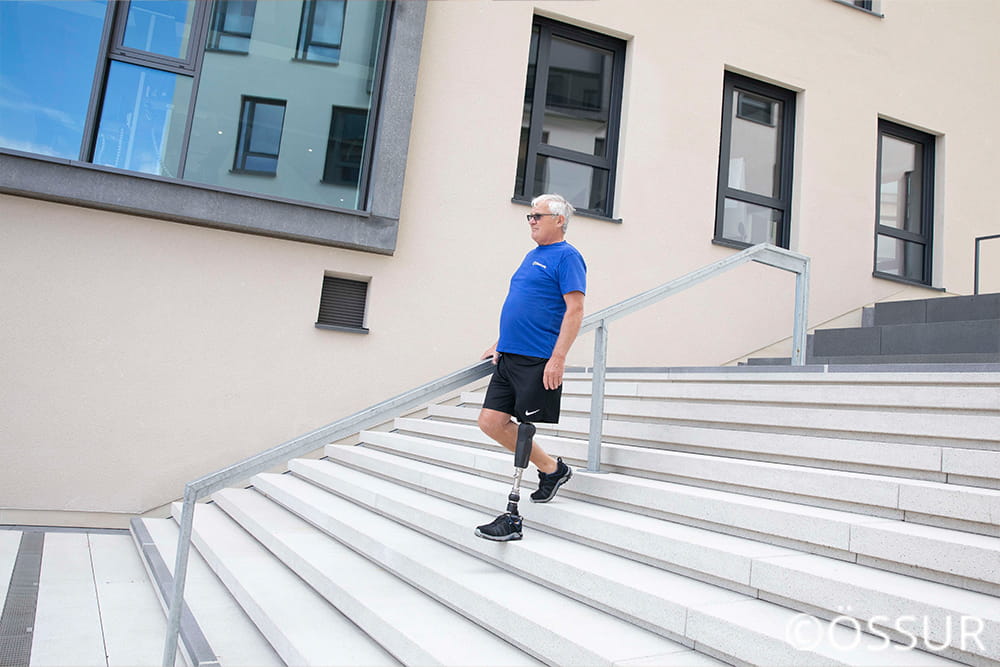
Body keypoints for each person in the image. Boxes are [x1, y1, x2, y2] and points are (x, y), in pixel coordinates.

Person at [475, 193, 586, 541]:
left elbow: (575, 310)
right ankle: (553, 469)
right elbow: (525, 303)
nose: (532, 221)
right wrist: (501, 341)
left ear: (559, 220)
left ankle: (512, 516)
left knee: (524, 429)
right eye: (530, 216)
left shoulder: (567, 256)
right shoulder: (532, 255)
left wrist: (559, 357)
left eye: (538, 216)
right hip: (510, 355)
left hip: (537, 358)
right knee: (490, 422)